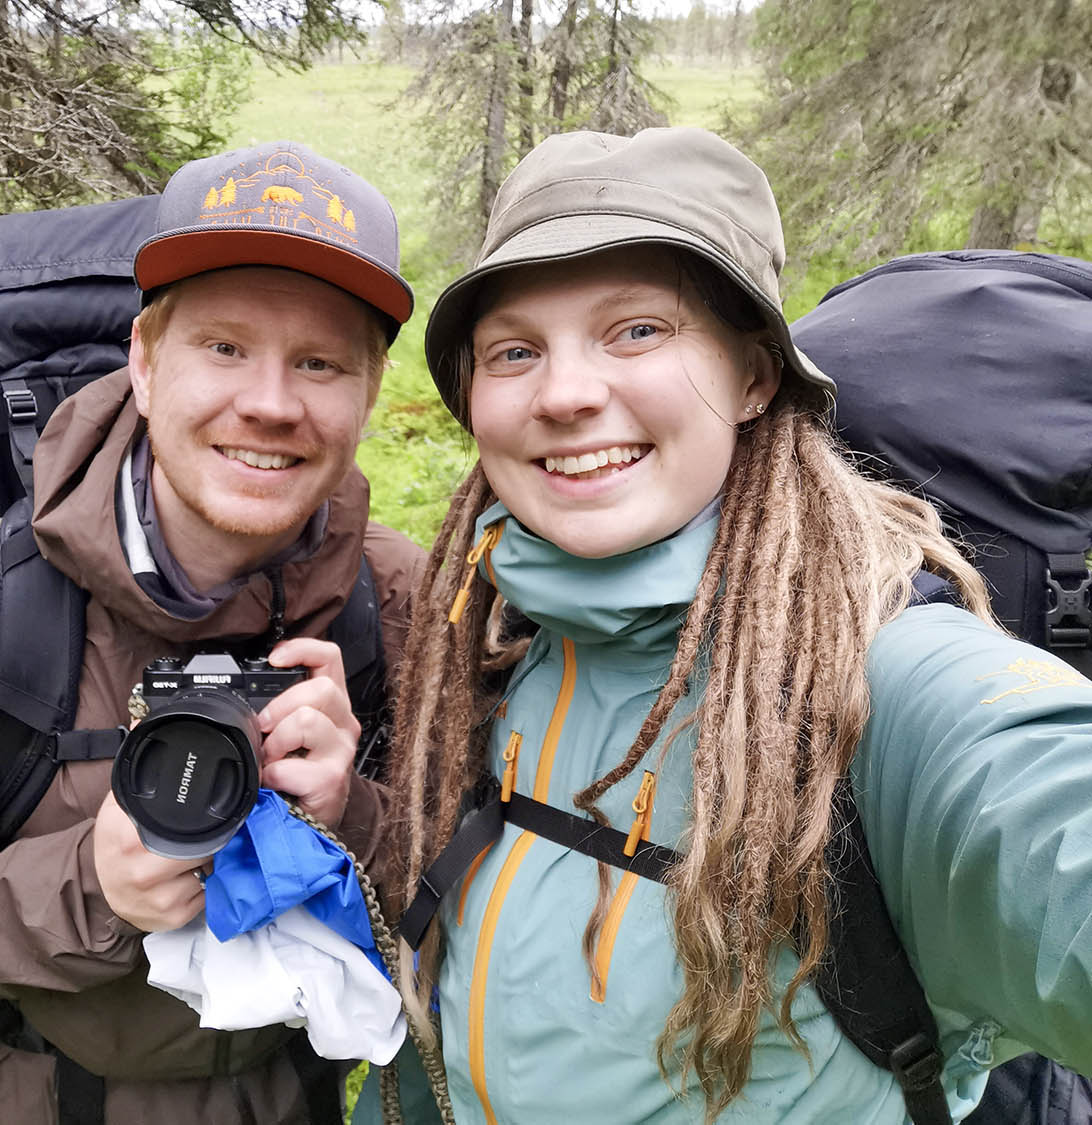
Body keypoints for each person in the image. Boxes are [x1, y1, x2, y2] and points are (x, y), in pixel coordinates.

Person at [381, 128, 1092, 1123]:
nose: (567, 392)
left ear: (756, 377)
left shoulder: (889, 687)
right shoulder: (500, 643)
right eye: (515, 350)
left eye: (638, 330)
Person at [0, 140, 425, 1124]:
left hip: (310, 1095)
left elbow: (478, 891)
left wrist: (354, 814)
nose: (269, 404)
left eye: (319, 362)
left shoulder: (392, 597)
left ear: (366, 396)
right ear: (145, 361)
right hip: (61, 1099)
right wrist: (90, 888)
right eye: (224, 346)